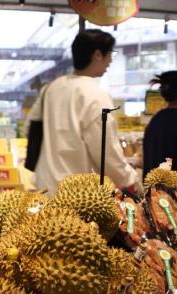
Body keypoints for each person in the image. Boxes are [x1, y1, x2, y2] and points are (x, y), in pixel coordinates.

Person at [34, 29, 139, 194]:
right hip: (79, 196)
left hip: (44, 189)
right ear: (97, 55)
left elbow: (31, 129)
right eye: (110, 54)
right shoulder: (96, 96)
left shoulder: (50, 89)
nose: (111, 60)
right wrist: (130, 179)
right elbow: (107, 153)